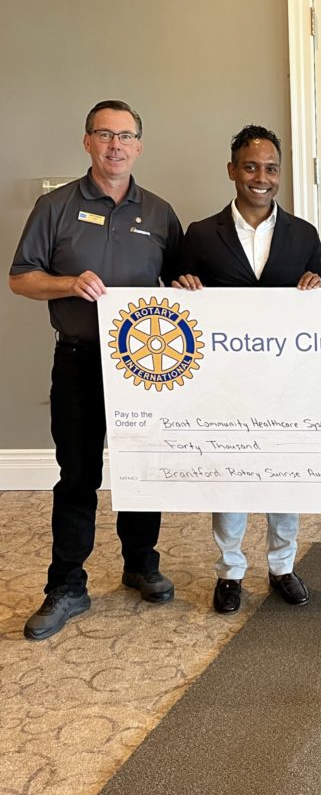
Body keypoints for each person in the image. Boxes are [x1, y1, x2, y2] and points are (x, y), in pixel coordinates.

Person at [9, 99, 182, 640]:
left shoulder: (158, 213)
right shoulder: (55, 207)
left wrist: (189, 287)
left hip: (144, 367)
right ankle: (66, 586)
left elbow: (181, 283)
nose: (115, 146)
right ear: (87, 142)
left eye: (126, 136)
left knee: (142, 471)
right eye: (104, 135)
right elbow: (20, 278)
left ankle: (140, 564)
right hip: (80, 359)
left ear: (139, 146)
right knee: (79, 474)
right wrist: (67, 284)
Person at [173, 125, 321, 614]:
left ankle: (283, 566)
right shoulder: (200, 234)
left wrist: (317, 284)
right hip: (226, 382)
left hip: (287, 381)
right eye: (251, 167)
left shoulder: (303, 233)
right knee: (232, 476)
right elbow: (172, 294)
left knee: (284, 474)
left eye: (271, 168)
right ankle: (230, 572)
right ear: (232, 171)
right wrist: (181, 285)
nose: (261, 178)